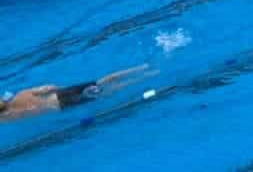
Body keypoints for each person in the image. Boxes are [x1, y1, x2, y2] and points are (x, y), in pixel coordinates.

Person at [0, 65, 148, 122]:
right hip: (60, 94)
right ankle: (142, 68)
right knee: (101, 82)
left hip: (62, 105)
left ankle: (138, 80)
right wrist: (63, 88)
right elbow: (49, 87)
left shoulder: (10, 115)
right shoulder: (21, 94)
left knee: (103, 93)